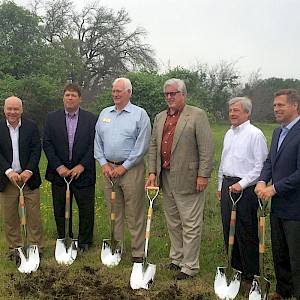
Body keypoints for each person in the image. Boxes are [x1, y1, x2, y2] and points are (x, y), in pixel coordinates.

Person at [145, 78, 214, 280]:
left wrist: (203, 175)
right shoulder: (159, 117)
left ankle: (190, 266)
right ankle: (177, 258)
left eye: (173, 93)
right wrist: (152, 173)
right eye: (166, 94)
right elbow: (153, 147)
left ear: (183, 94)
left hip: (190, 177)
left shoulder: (197, 115)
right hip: (165, 176)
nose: (169, 97)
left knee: (190, 223)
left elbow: (207, 148)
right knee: (173, 221)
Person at [94, 77, 151, 262]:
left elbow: (142, 145)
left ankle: (137, 253)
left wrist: (124, 167)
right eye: (113, 91)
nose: (115, 94)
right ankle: (116, 248)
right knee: (114, 211)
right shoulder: (104, 114)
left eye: (119, 91)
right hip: (108, 170)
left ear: (128, 92)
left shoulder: (139, 114)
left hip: (131, 170)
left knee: (135, 212)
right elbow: (97, 141)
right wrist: (103, 163)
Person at [217, 97, 268, 294]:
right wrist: (220, 185)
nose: (232, 114)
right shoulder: (229, 133)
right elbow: (223, 161)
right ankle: (235, 271)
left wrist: (242, 183)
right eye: (230, 110)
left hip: (245, 190)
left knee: (245, 232)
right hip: (228, 186)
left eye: (236, 110)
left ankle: (250, 276)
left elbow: (260, 166)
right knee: (229, 232)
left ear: (247, 112)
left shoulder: (255, 134)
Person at [255, 89, 300, 300]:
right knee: (280, 252)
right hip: (279, 205)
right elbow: (270, 162)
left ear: (295, 105)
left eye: (280, 105)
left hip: (296, 206)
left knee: (296, 255)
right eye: (274, 106)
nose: (276, 109)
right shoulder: (277, 132)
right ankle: (283, 292)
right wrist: (263, 180)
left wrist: (274, 188)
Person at [43, 83, 97, 253]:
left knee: (86, 209)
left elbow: (95, 145)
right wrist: (59, 166)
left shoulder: (91, 119)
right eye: (67, 95)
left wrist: (82, 165)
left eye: (74, 95)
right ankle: (65, 238)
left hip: (83, 172)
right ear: (63, 97)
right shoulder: (52, 118)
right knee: (60, 209)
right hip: (60, 173)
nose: (70, 98)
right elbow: (47, 143)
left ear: (80, 98)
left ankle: (85, 242)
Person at [0, 96, 44, 259]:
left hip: (28, 179)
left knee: (34, 214)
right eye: (9, 109)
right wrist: (8, 171)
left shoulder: (31, 126)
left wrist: (29, 171)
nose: (12, 112)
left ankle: (36, 246)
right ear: (4, 109)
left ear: (21, 110)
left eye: (16, 109)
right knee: (10, 216)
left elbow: (36, 149)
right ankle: (15, 247)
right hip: (7, 180)